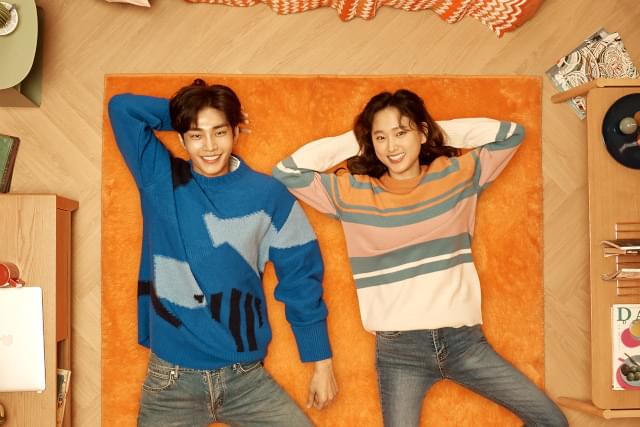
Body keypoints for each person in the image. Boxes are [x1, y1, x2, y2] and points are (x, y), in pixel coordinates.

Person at [272, 89, 568, 427]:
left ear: (422, 132)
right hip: (401, 354)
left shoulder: (455, 176)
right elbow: (287, 170)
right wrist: (363, 138)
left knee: (552, 421)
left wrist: (431, 129)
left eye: (401, 132)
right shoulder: (354, 193)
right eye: (381, 137)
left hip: (464, 343)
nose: (391, 146)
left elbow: (511, 134)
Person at [108, 79, 337, 427]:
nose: (210, 146)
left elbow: (301, 276)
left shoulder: (268, 195)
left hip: (245, 378)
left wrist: (322, 363)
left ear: (235, 131)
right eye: (196, 135)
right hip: (171, 381)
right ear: (181, 139)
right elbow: (121, 108)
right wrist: (189, 112)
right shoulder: (160, 178)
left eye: (220, 132)